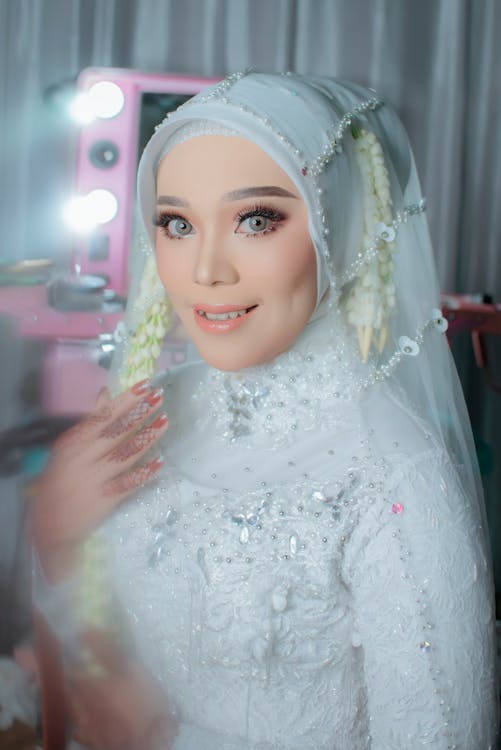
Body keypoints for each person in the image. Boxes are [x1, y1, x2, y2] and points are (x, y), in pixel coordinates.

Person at [31, 72, 499, 750]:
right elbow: (84, 691)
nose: (205, 270)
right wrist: (52, 536)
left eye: (256, 219)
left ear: (342, 224)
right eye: (176, 223)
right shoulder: (146, 416)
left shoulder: (395, 478)